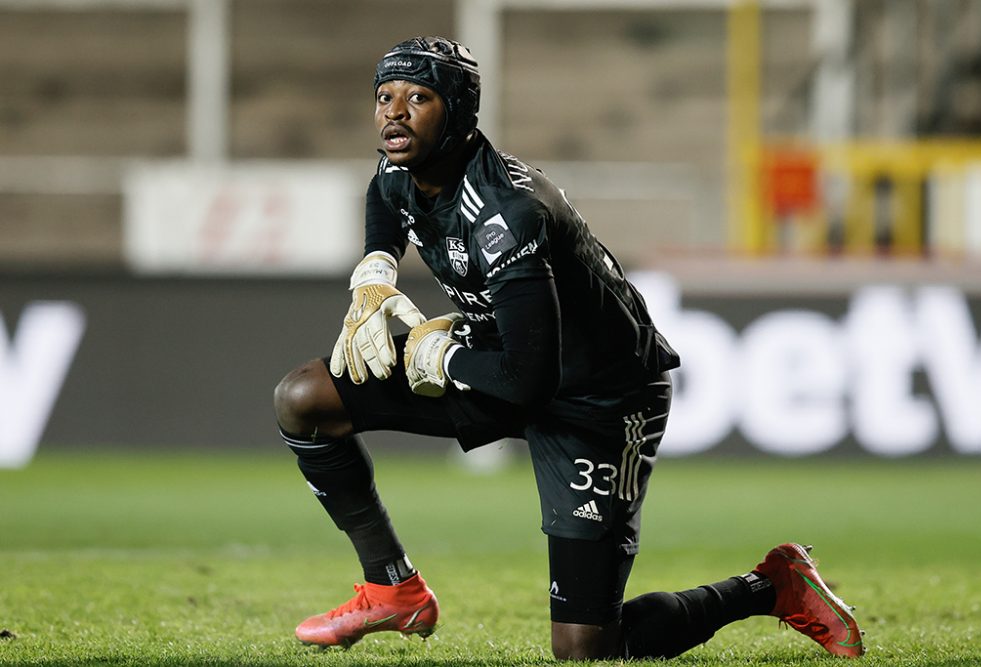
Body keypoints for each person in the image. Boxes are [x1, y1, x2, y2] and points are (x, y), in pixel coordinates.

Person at [272, 36, 864, 660]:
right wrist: (375, 270)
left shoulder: (508, 210)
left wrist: (439, 357)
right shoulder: (402, 166)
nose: (395, 111)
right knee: (306, 398)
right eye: (384, 97)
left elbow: (530, 380)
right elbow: (387, 202)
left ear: (459, 111)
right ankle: (392, 589)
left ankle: (772, 586)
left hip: (601, 397)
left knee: (586, 647)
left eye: (418, 97)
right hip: (501, 357)